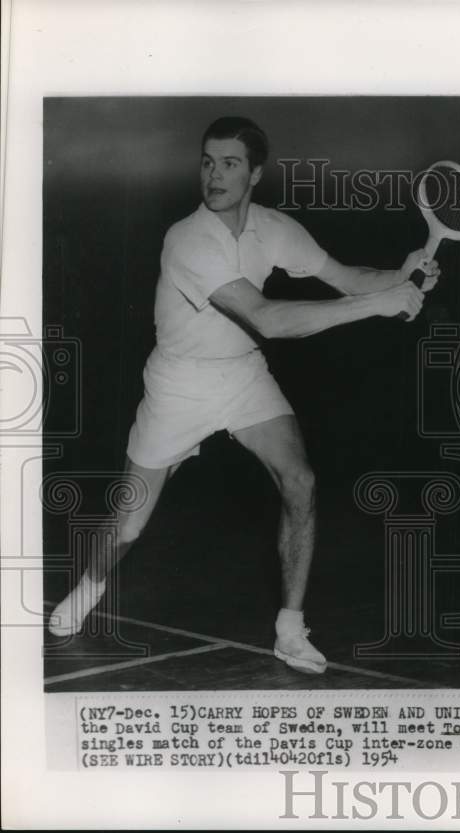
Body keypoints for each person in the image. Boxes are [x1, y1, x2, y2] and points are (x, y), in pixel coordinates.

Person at [47, 117, 438, 675]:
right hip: (178, 385)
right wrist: (376, 306)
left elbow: (349, 279)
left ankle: (290, 629)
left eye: (229, 163)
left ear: (255, 172)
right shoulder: (186, 239)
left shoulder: (274, 228)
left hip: (242, 374)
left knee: (299, 480)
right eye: (207, 161)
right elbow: (268, 319)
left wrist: (401, 272)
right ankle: (88, 589)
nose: (215, 174)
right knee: (129, 524)